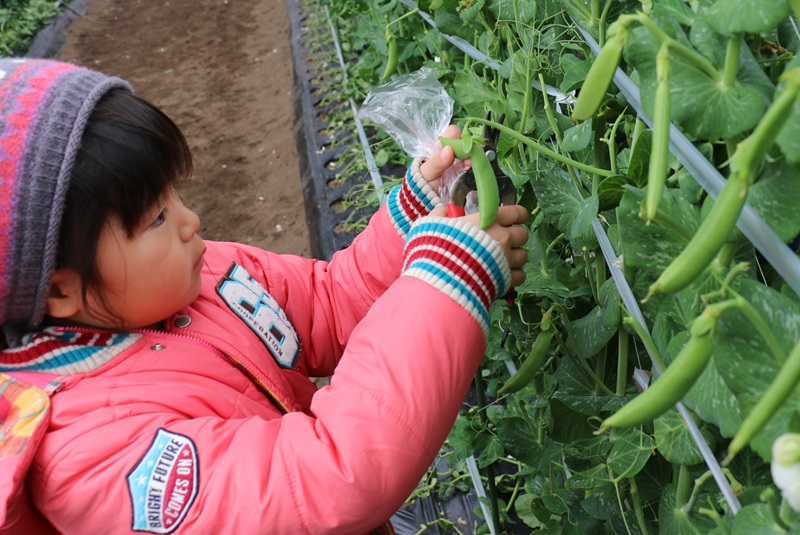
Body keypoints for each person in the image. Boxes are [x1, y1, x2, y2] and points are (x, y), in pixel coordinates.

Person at [0, 58, 529, 535]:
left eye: (174, 194)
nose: (191, 221)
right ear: (61, 289)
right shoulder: (93, 459)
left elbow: (331, 302)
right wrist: (449, 278)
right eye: (156, 217)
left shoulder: (205, 274)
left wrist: (420, 215)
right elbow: (331, 479)